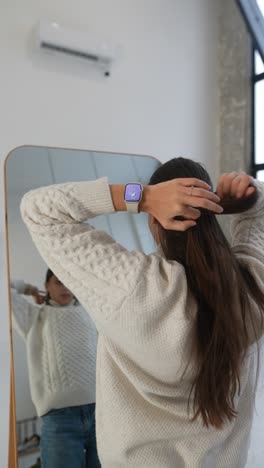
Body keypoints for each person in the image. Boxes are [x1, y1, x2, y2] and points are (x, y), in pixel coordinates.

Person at [20, 157, 264, 468]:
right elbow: (261, 213)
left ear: (154, 219)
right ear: (213, 215)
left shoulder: (132, 286)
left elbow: (38, 209)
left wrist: (142, 197)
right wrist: (248, 194)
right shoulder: (250, 287)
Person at [11, 269, 100, 468]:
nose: (65, 287)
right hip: (60, 421)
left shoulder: (90, 312)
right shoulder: (33, 316)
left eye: (69, 281)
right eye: (58, 282)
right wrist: (29, 289)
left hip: (101, 415)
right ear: (47, 286)